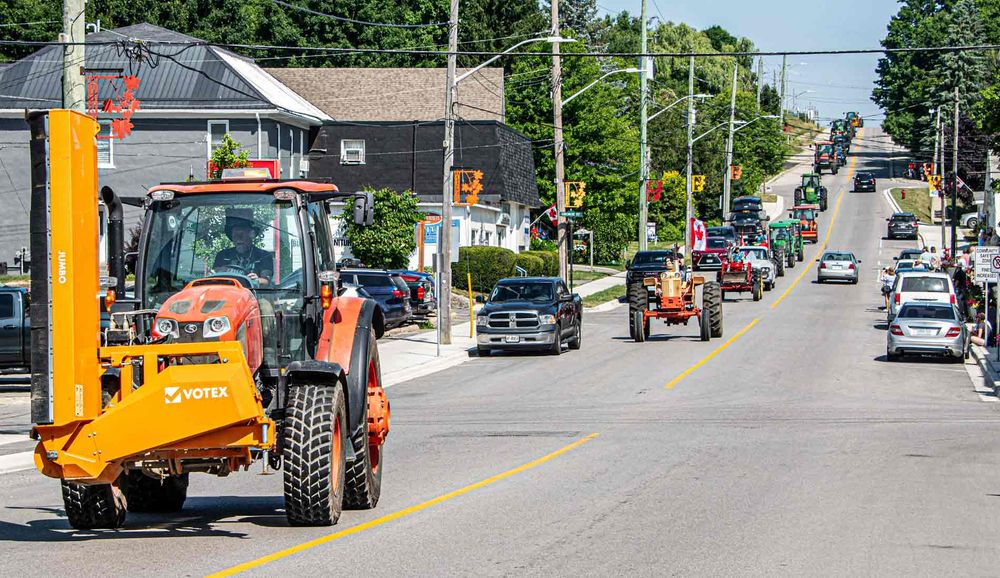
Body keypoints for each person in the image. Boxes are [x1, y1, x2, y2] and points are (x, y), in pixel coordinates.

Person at [213, 208, 274, 285]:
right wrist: (220, 272)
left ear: (251, 234)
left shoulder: (264, 256)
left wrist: (258, 280)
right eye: (235, 235)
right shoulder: (222, 255)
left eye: (241, 235)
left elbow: (266, 281)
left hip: (254, 294)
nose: (238, 239)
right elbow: (213, 276)